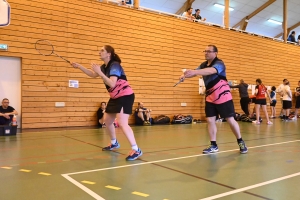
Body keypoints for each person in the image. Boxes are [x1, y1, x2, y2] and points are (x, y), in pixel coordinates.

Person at [71, 45, 142, 161]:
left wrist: (100, 72)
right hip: (115, 97)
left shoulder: (115, 65)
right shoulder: (104, 67)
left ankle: (136, 149)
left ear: (108, 54)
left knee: (122, 123)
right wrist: (79, 66)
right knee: (107, 120)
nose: (99, 52)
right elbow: (93, 74)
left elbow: (112, 84)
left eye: (102, 50)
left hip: (125, 96)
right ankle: (114, 143)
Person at [180, 45, 248, 154]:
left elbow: (211, 71)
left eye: (209, 51)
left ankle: (240, 141)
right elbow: (195, 71)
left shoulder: (219, 63)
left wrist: (195, 72)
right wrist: (184, 76)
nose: (206, 53)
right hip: (210, 97)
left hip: (223, 96)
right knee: (210, 120)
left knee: (230, 120)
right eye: (205, 51)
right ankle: (213, 145)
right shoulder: (203, 64)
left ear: (215, 53)